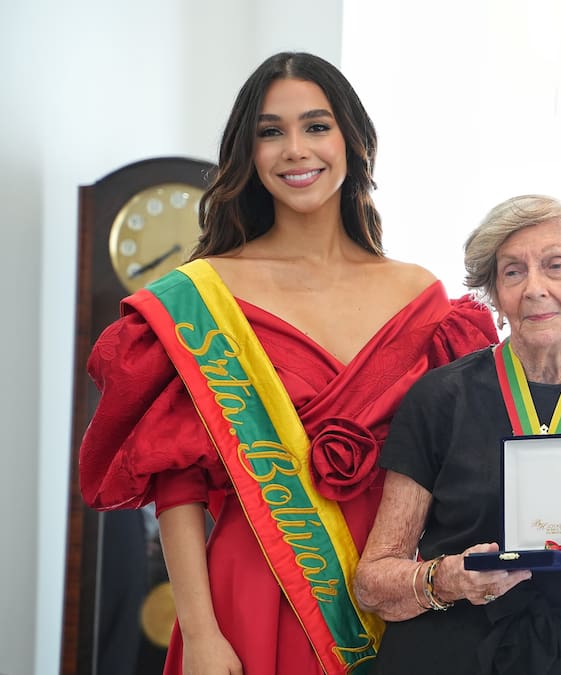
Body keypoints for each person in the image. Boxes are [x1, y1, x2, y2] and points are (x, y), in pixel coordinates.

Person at [78, 52, 498, 674]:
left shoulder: (425, 301)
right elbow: (179, 485)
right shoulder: (204, 297)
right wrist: (199, 631)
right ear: (248, 155)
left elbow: (467, 466)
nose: (295, 149)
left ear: (353, 141)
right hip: (248, 599)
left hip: (402, 602)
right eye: (270, 132)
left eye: (316, 126)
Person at [354, 194, 561, 675]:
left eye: (556, 266)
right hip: (444, 654)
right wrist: (450, 579)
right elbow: (372, 583)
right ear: (495, 297)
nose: (534, 287)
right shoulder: (441, 396)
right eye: (513, 272)